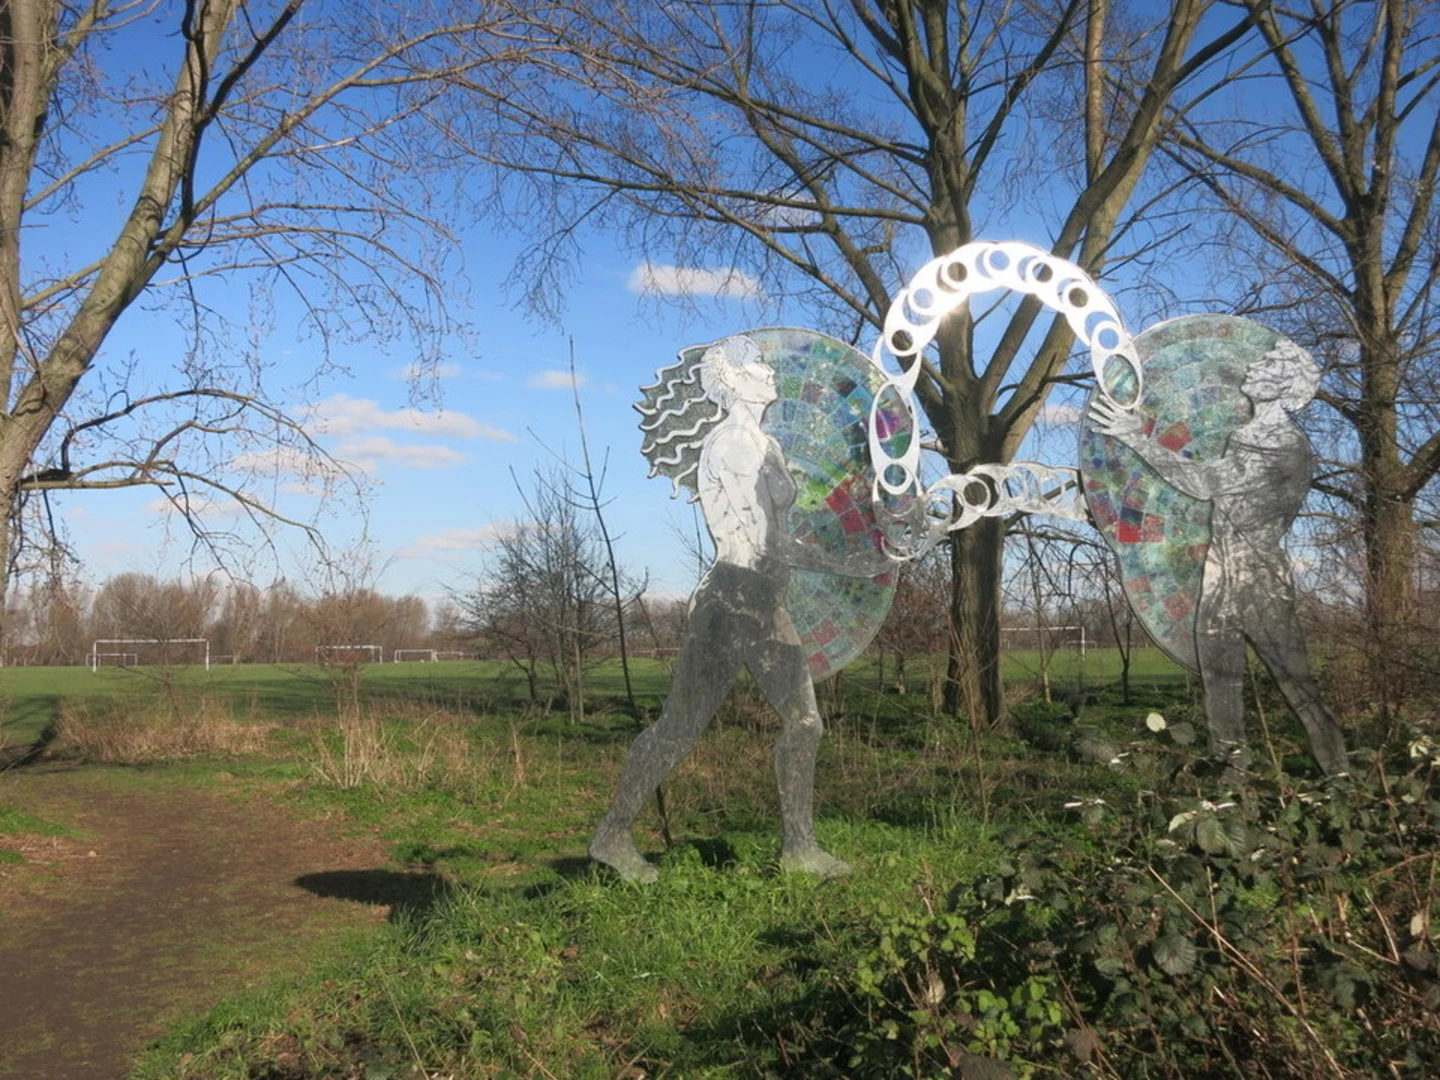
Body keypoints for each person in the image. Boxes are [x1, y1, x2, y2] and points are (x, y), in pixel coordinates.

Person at [590, 334, 890, 883]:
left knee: (804, 723)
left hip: (763, 601)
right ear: (732, 383)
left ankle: (799, 849)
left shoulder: (766, 443)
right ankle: (612, 833)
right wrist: (855, 565)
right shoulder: (732, 445)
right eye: (757, 368)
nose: (769, 373)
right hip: (732, 600)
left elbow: (784, 531)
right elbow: (766, 545)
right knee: (681, 727)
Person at [1088, 337, 1348, 776]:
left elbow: (1206, 483)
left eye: (1266, 366)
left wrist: (1137, 436)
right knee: (1220, 683)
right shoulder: (1246, 436)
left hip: (1258, 578)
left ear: (1284, 384)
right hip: (1219, 574)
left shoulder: (1283, 444)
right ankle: (1233, 773)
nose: (1252, 369)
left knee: (1295, 682)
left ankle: (1338, 772)